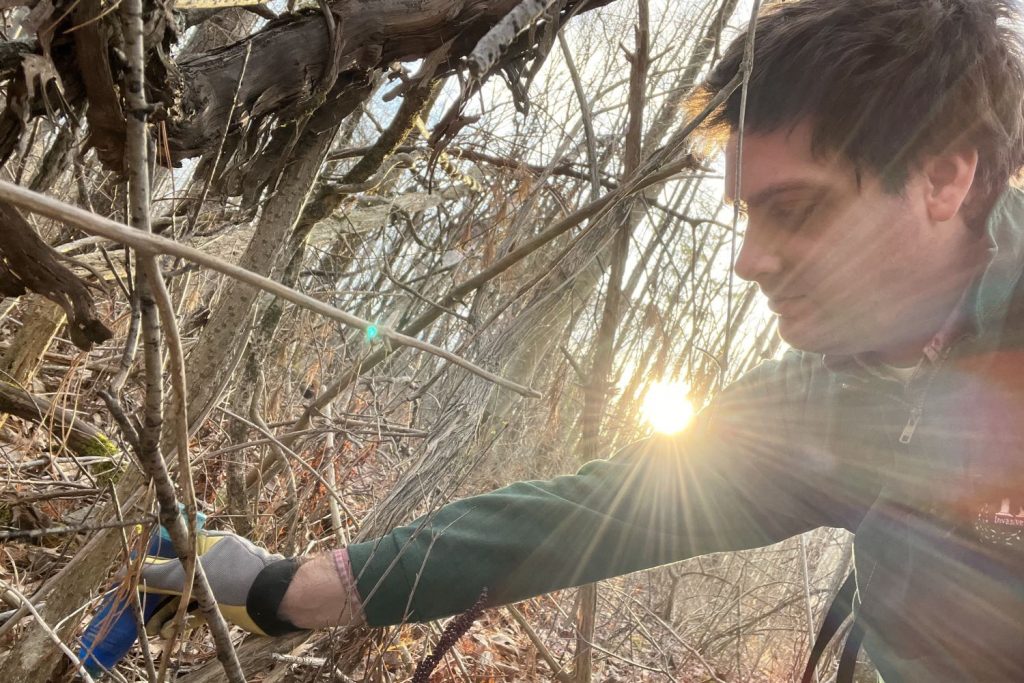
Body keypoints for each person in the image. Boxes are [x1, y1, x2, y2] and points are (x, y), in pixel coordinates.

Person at [132, 1, 1024, 680]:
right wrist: (283, 587)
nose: (748, 262)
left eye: (797, 210)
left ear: (945, 173)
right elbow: (587, 514)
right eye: (747, 214)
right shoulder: (831, 402)